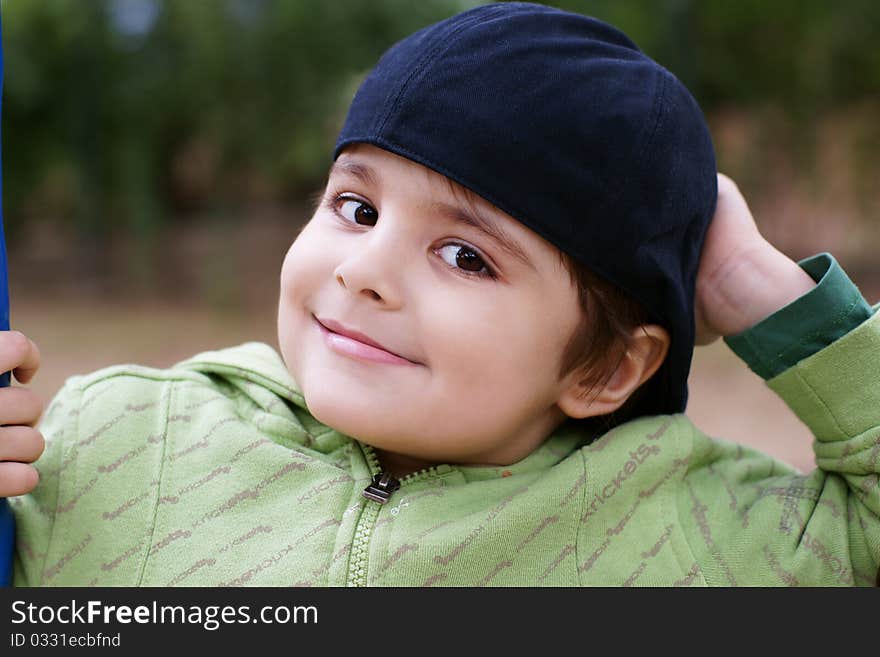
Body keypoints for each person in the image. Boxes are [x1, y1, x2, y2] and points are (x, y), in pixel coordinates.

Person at [2, 2, 878, 586]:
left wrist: (747, 284)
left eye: (465, 256)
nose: (363, 268)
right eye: (356, 205)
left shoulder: (692, 536)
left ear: (610, 366)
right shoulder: (121, 440)